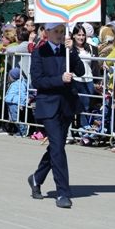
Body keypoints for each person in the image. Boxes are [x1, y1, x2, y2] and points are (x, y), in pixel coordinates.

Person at [27, 22, 85, 209]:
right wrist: (59, 80)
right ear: (47, 32)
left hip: (66, 105)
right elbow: (37, 80)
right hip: (48, 106)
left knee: (56, 146)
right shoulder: (39, 52)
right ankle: (63, 193)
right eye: (56, 32)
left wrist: (73, 51)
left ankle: (36, 177)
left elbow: (81, 71)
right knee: (58, 148)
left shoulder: (67, 51)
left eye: (62, 31)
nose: (60, 35)